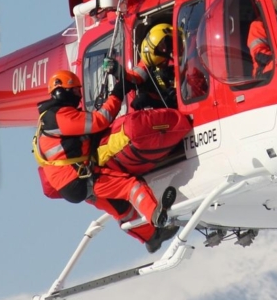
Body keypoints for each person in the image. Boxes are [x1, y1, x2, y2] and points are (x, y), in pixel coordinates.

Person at [34, 70, 178, 253]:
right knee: (131, 185)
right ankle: (155, 214)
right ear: (63, 92)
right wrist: (118, 92)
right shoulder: (59, 116)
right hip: (81, 178)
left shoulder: (47, 120)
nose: (79, 96)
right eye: (75, 91)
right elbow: (100, 120)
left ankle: (152, 238)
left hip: (70, 185)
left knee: (122, 209)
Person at [128, 23, 178, 110]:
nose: (164, 49)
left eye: (164, 44)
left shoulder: (180, 54)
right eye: (161, 46)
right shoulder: (153, 70)